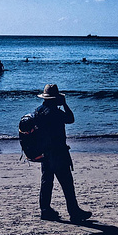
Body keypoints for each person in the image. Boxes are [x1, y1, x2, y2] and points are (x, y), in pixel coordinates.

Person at [35, 84, 92, 223]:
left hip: (45, 152)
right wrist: (65, 104)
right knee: (67, 183)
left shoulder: (38, 111)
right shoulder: (55, 113)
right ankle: (74, 212)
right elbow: (71, 119)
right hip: (58, 152)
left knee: (46, 181)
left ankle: (45, 210)